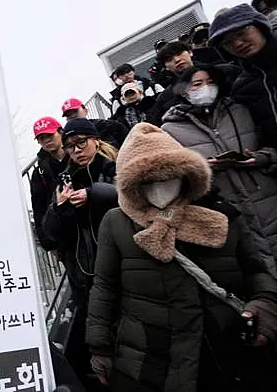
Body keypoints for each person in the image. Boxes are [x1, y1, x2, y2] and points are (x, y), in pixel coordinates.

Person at [86, 122, 277, 391]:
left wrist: (266, 303)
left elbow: (256, 270)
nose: (160, 187)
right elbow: (104, 286)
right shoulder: (116, 222)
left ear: (187, 174)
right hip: (147, 360)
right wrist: (99, 346)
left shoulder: (222, 215)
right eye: (148, 181)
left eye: (169, 176)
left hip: (228, 352)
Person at [161, 64, 277, 276]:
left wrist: (260, 158)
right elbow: (171, 176)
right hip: (225, 206)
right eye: (197, 84)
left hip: (266, 200)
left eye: (211, 82)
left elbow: (271, 145)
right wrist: (200, 168)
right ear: (184, 90)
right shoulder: (169, 129)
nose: (206, 87)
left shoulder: (240, 110)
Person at [41, 118, 119, 391]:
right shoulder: (65, 180)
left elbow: (130, 195)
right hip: (84, 271)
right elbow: (50, 232)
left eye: (80, 143)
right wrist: (59, 207)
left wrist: (93, 193)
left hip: (121, 265)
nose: (75, 150)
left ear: (95, 140)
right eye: (70, 146)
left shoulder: (114, 167)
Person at [209, 3, 277, 149]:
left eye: (241, 33)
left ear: (260, 25)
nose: (238, 43)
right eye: (228, 42)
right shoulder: (242, 87)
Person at [150, 41, 240, 125]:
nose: (177, 60)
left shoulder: (225, 72)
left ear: (190, 52)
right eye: (169, 59)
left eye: (179, 54)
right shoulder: (165, 98)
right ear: (165, 67)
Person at [29, 117, 68, 252]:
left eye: (50, 135)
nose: (46, 141)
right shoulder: (39, 172)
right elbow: (38, 208)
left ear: (61, 132)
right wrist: (47, 241)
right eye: (41, 138)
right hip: (63, 236)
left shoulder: (79, 156)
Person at [61, 97, 129, 148]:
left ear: (86, 110)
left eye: (75, 111)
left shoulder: (107, 125)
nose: (72, 116)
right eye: (68, 114)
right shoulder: (67, 140)